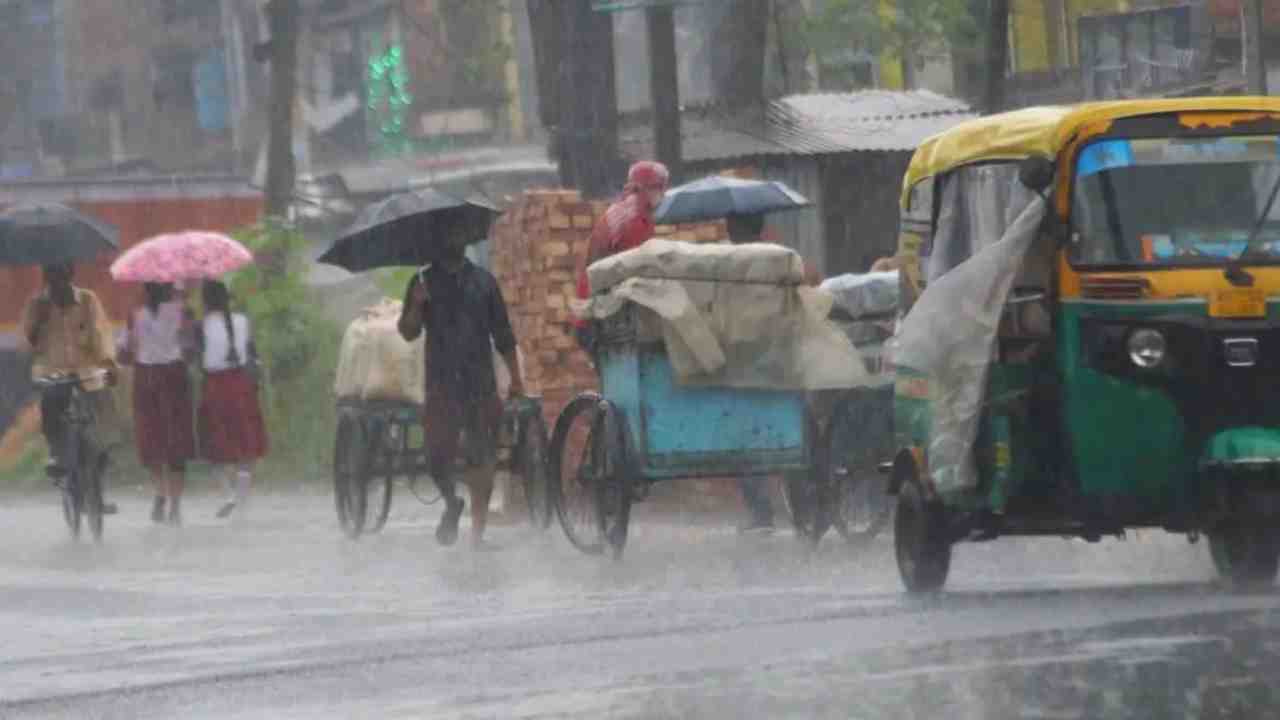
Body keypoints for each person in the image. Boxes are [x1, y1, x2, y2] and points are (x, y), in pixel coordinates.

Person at [398, 232, 524, 550]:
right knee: (436, 455)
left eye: (458, 233)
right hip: (441, 383)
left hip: (480, 383)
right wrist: (416, 305)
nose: (453, 240)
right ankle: (452, 501)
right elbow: (408, 332)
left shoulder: (484, 282)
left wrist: (516, 378)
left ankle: (477, 535)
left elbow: (503, 334)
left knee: (482, 459)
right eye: (447, 234)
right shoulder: (422, 282)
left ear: (466, 240)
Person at [725, 213, 823, 533]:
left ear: (731, 230)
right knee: (794, 435)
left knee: (744, 440)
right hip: (784, 362)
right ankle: (805, 512)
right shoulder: (783, 260)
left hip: (748, 365)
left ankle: (761, 514)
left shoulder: (726, 266)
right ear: (762, 228)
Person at [21, 262, 118, 513]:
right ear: (46, 279)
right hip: (53, 374)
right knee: (52, 407)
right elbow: (27, 343)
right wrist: (39, 321)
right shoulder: (37, 305)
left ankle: (98, 483)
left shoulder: (87, 300)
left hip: (87, 373)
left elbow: (101, 333)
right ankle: (56, 454)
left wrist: (108, 364)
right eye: (52, 279)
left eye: (62, 277)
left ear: (71, 275)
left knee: (102, 423)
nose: (58, 285)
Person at [573, 160, 670, 349]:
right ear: (646, 188)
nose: (662, 194)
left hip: (591, 309)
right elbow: (634, 272)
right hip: (602, 316)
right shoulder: (636, 220)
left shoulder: (621, 209)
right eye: (659, 188)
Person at [122, 282, 195, 526]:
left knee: (150, 437)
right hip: (174, 377)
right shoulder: (181, 312)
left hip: (146, 378)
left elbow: (124, 352)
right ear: (168, 289)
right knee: (177, 440)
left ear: (146, 290)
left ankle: (160, 492)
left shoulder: (135, 315)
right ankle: (175, 506)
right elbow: (189, 349)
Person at [197, 280, 268, 520]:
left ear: (206, 301)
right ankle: (241, 502)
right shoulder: (242, 321)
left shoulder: (201, 326)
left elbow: (196, 358)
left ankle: (228, 495)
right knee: (246, 448)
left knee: (214, 447)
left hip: (214, 388)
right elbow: (252, 354)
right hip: (241, 386)